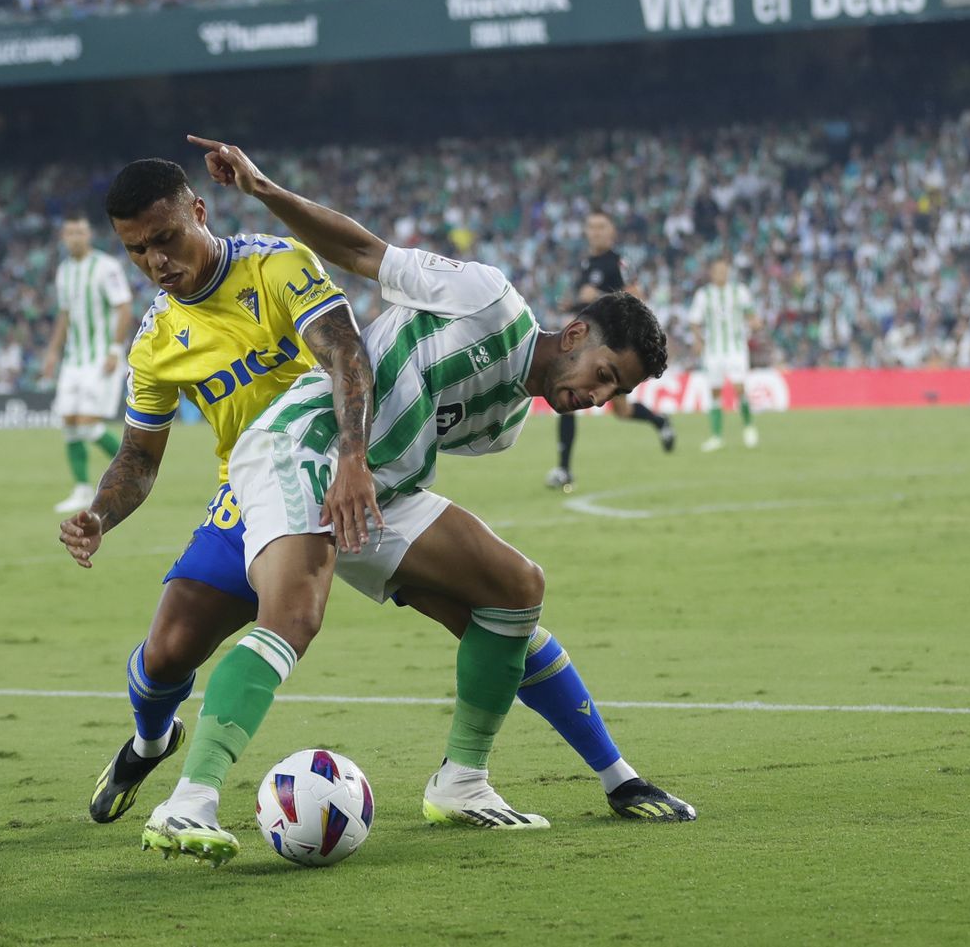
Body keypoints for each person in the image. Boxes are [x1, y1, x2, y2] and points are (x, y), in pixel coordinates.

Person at [61, 154, 694, 842]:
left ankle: (497, 780)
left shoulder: (503, 425)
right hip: (298, 445)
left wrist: (365, 472)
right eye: (603, 375)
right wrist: (264, 188)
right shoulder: (488, 299)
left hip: (372, 486)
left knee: (513, 590)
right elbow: (364, 261)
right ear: (574, 335)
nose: (598, 398)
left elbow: (383, 393)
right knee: (243, 632)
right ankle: (185, 796)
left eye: (615, 391)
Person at [546, 211, 674, 492]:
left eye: (601, 226)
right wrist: (571, 305)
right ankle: (564, 469)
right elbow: (588, 306)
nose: (595, 232)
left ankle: (659, 420)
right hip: (588, 346)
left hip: (611, 349)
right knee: (565, 395)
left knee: (622, 411)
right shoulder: (585, 263)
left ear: (611, 230)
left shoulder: (618, 262)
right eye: (591, 226)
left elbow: (638, 300)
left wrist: (599, 296)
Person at [40, 214, 135, 513]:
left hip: (99, 357)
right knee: (68, 421)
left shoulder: (106, 267)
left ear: (89, 234)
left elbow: (123, 306)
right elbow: (65, 315)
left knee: (88, 424)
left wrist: (115, 349)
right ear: (63, 237)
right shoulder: (65, 271)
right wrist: (53, 352)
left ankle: (136, 474)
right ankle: (81, 490)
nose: (75, 237)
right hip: (73, 360)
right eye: (70, 232)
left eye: (80, 232)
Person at [691, 258, 758, 452]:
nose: (722, 273)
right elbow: (695, 320)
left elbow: (751, 314)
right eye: (718, 270)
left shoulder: (740, 291)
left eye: (725, 270)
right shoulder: (704, 295)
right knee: (714, 391)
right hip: (713, 351)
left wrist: (754, 322)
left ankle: (748, 426)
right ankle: (717, 436)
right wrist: (697, 340)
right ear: (712, 273)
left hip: (736, 349)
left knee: (739, 388)